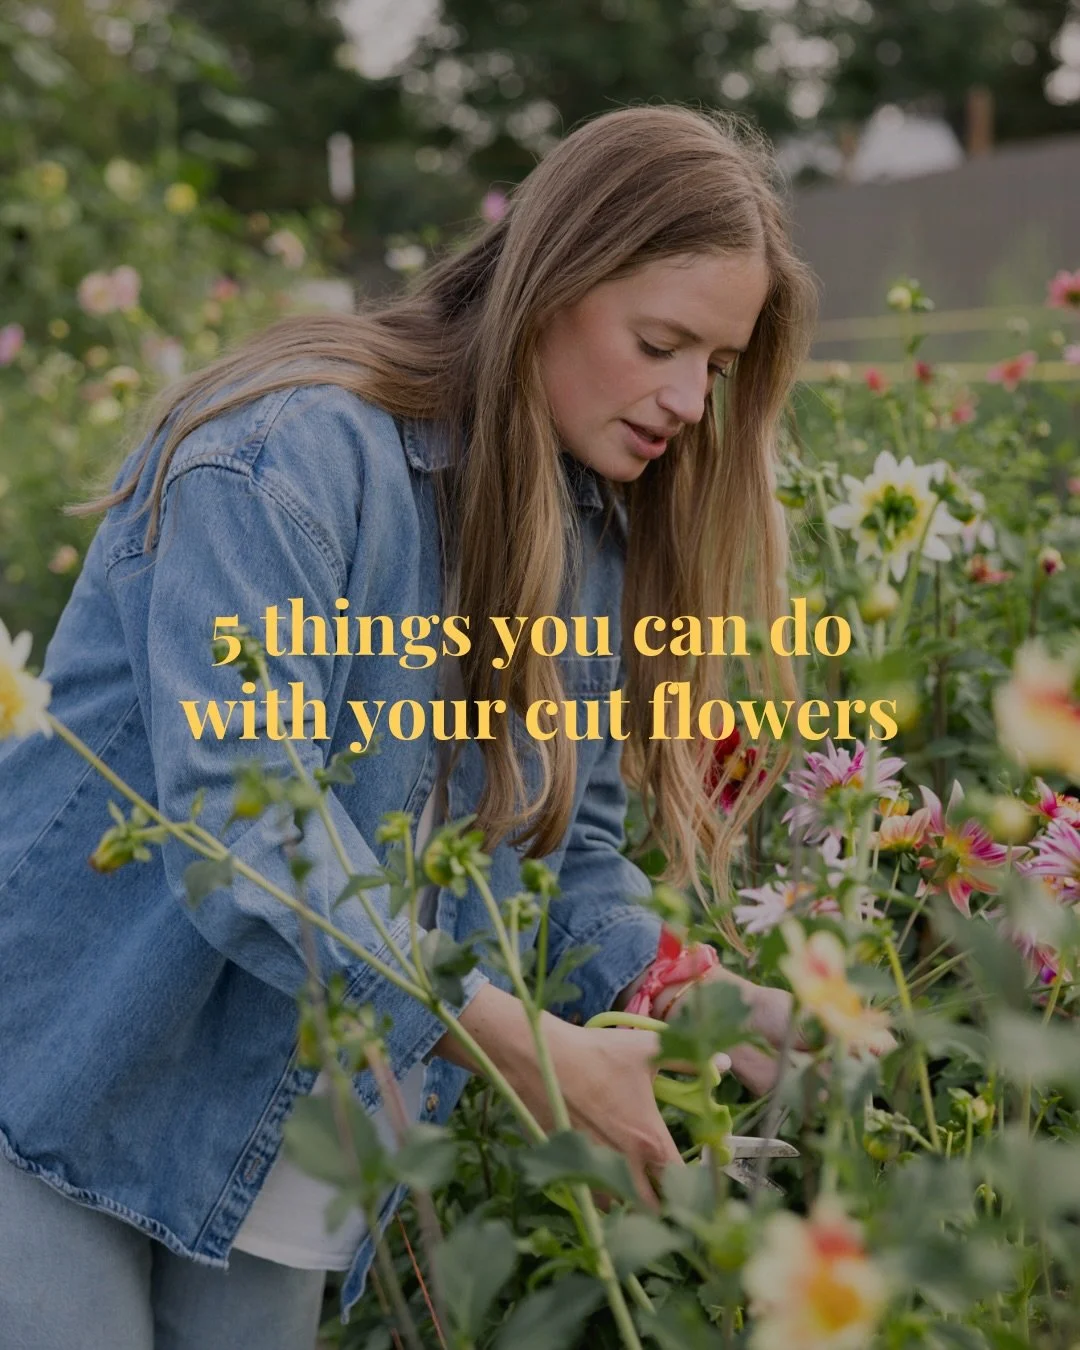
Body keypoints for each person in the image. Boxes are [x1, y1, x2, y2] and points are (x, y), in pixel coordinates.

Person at [0, 103, 817, 1346]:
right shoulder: (283, 456)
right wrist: (530, 1049)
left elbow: (567, 860)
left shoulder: (584, 532)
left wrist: (709, 1000)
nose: (693, 399)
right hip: (69, 1061)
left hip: (282, 1120)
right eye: (664, 342)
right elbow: (242, 827)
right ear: (554, 283)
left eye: (720, 365)